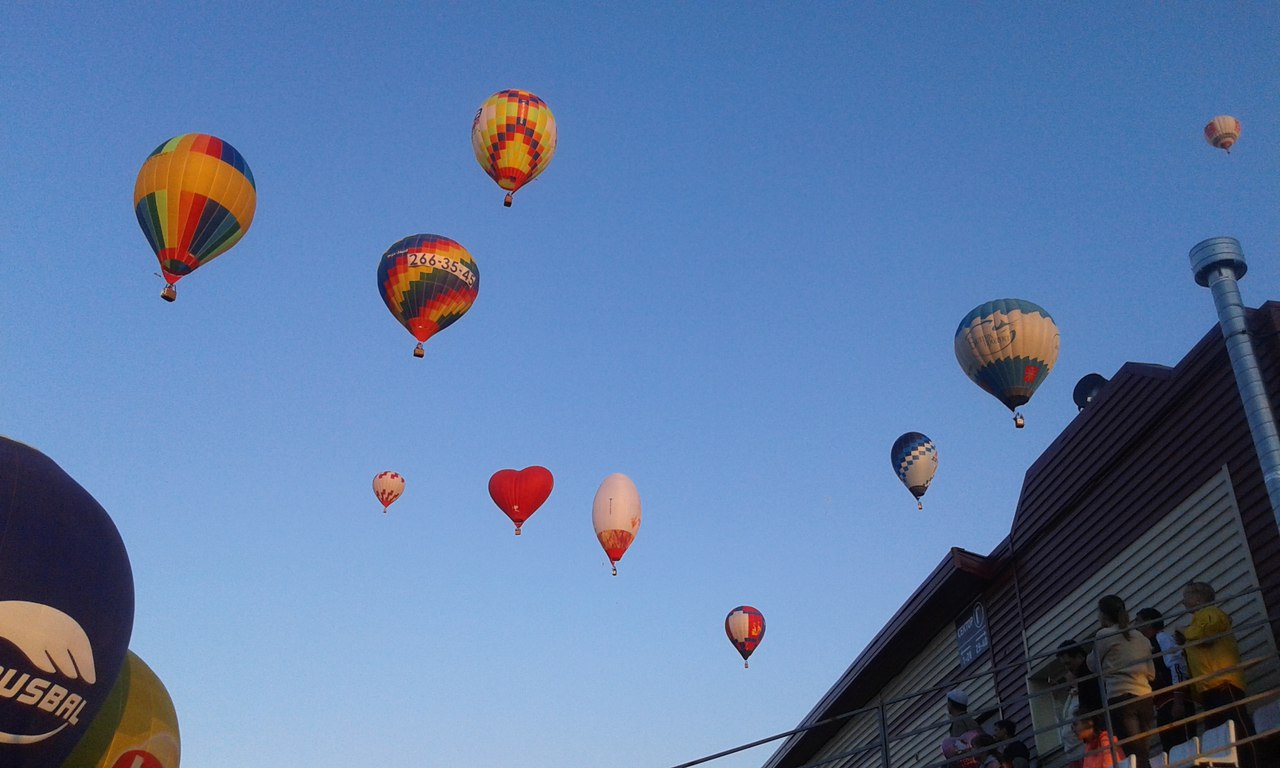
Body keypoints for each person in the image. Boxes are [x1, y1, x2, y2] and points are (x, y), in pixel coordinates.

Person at [1174, 581, 1254, 738]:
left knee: (1237, 726)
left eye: (1186, 597)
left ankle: (1252, 758)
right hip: (1210, 685)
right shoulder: (1199, 621)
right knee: (1219, 734)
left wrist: (1182, 630)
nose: (1183, 601)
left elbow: (1206, 636)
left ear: (1197, 599)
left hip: (1222, 682)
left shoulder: (1210, 613)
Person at [1089, 595, 1155, 768]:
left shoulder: (1103, 635)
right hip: (1146, 697)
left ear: (1103, 615)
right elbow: (1151, 673)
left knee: (1134, 753)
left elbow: (1093, 665)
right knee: (1143, 752)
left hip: (1121, 698)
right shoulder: (1140, 637)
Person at [1135, 606, 1194, 752]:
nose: (1135, 625)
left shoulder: (1162, 639)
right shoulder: (1148, 646)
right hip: (1162, 705)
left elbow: (1177, 666)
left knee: (1185, 748)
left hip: (1175, 702)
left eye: (1138, 621)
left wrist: (1179, 700)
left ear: (1149, 622)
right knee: (1171, 750)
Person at [1058, 640, 1103, 768]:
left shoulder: (1088, 675)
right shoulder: (1082, 679)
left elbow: (1092, 705)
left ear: (1079, 657)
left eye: (1068, 663)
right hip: (1079, 745)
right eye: (1064, 665)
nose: (1068, 668)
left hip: (1091, 738)